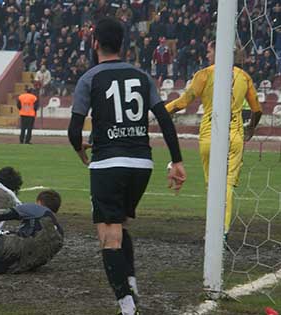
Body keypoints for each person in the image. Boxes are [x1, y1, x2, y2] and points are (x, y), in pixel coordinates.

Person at [67, 18, 186, 315]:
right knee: (119, 223)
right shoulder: (142, 76)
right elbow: (164, 119)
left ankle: (127, 307)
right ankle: (131, 281)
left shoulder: (89, 78)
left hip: (108, 163)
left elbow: (74, 128)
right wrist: (176, 161)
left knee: (108, 236)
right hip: (141, 164)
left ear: (95, 43)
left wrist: (79, 147)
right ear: (123, 44)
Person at [165, 40, 263, 238]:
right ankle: (223, 229)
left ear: (218, 52)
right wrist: (251, 127)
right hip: (234, 137)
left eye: (209, 51)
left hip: (210, 136)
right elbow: (257, 109)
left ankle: (213, 230)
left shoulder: (205, 74)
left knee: (213, 185)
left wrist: (160, 111)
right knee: (226, 184)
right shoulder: (244, 77)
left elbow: (182, 103)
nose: (207, 55)